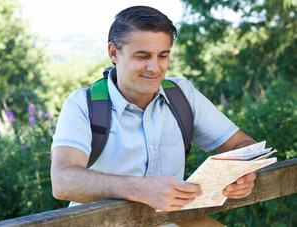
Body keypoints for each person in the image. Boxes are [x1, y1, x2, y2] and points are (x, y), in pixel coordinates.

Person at [50, 5, 256, 215]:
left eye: (163, 56)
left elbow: (241, 144)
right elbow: (63, 181)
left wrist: (242, 172)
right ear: (114, 53)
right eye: (142, 56)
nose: (155, 68)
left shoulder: (183, 95)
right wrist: (138, 189)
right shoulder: (82, 104)